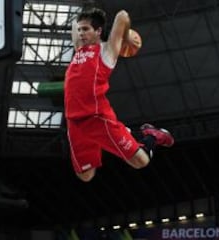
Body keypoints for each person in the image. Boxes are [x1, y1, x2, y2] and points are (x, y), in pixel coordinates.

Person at [64, 8, 174, 182]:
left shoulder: (106, 51)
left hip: (97, 117)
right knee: (85, 175)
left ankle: (151, 136)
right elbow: (74, 25)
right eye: (80, 30)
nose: (81, 33)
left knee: (141, 161)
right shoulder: (79, 50)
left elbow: (122, 16)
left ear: (98, 31)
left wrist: (125, 34)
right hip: (74, 121)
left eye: (85, 30)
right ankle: (124, 133)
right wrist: (80, 21)